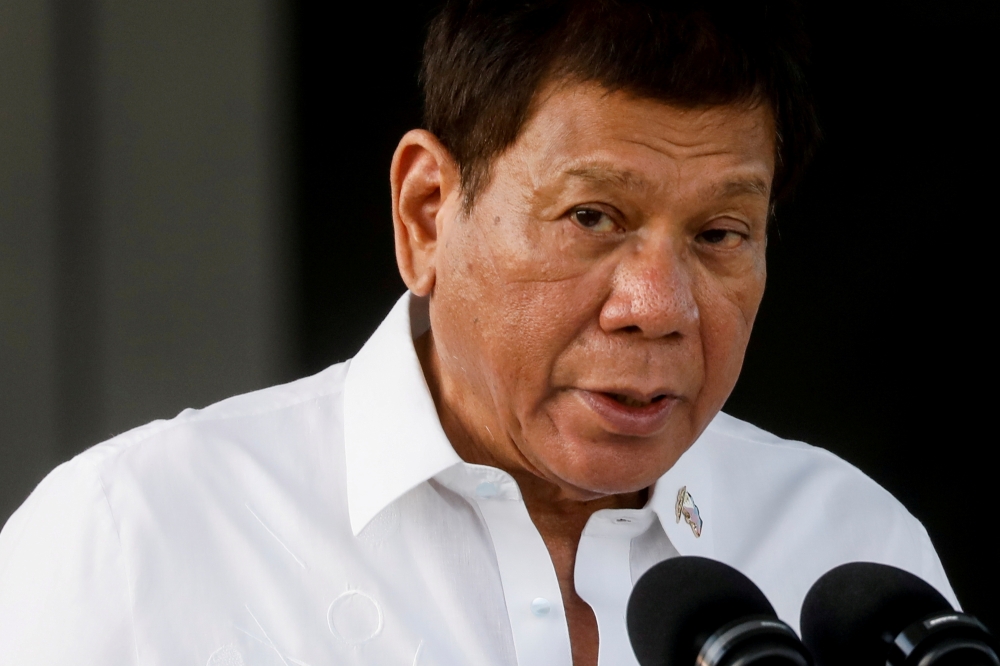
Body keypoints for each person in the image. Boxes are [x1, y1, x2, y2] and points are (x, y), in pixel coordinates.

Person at [0, 1, 957, 665]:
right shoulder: (137, 537)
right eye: (592, 216)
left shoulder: (852, 550)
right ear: (426, 212)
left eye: (719, 235)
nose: (659, 304)